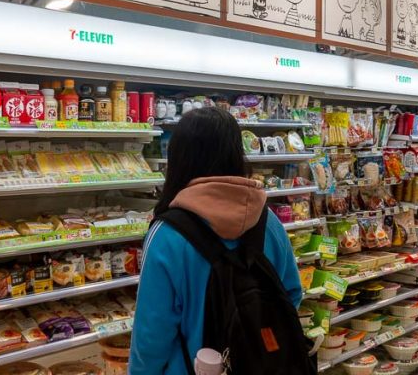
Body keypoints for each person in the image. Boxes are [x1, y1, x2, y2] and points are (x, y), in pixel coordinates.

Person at [129, 107, 303, 374]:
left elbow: (151, 336)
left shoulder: (166, 235)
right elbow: (291, 293)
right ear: (236, 154)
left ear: (179, 159)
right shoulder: (268, 222)